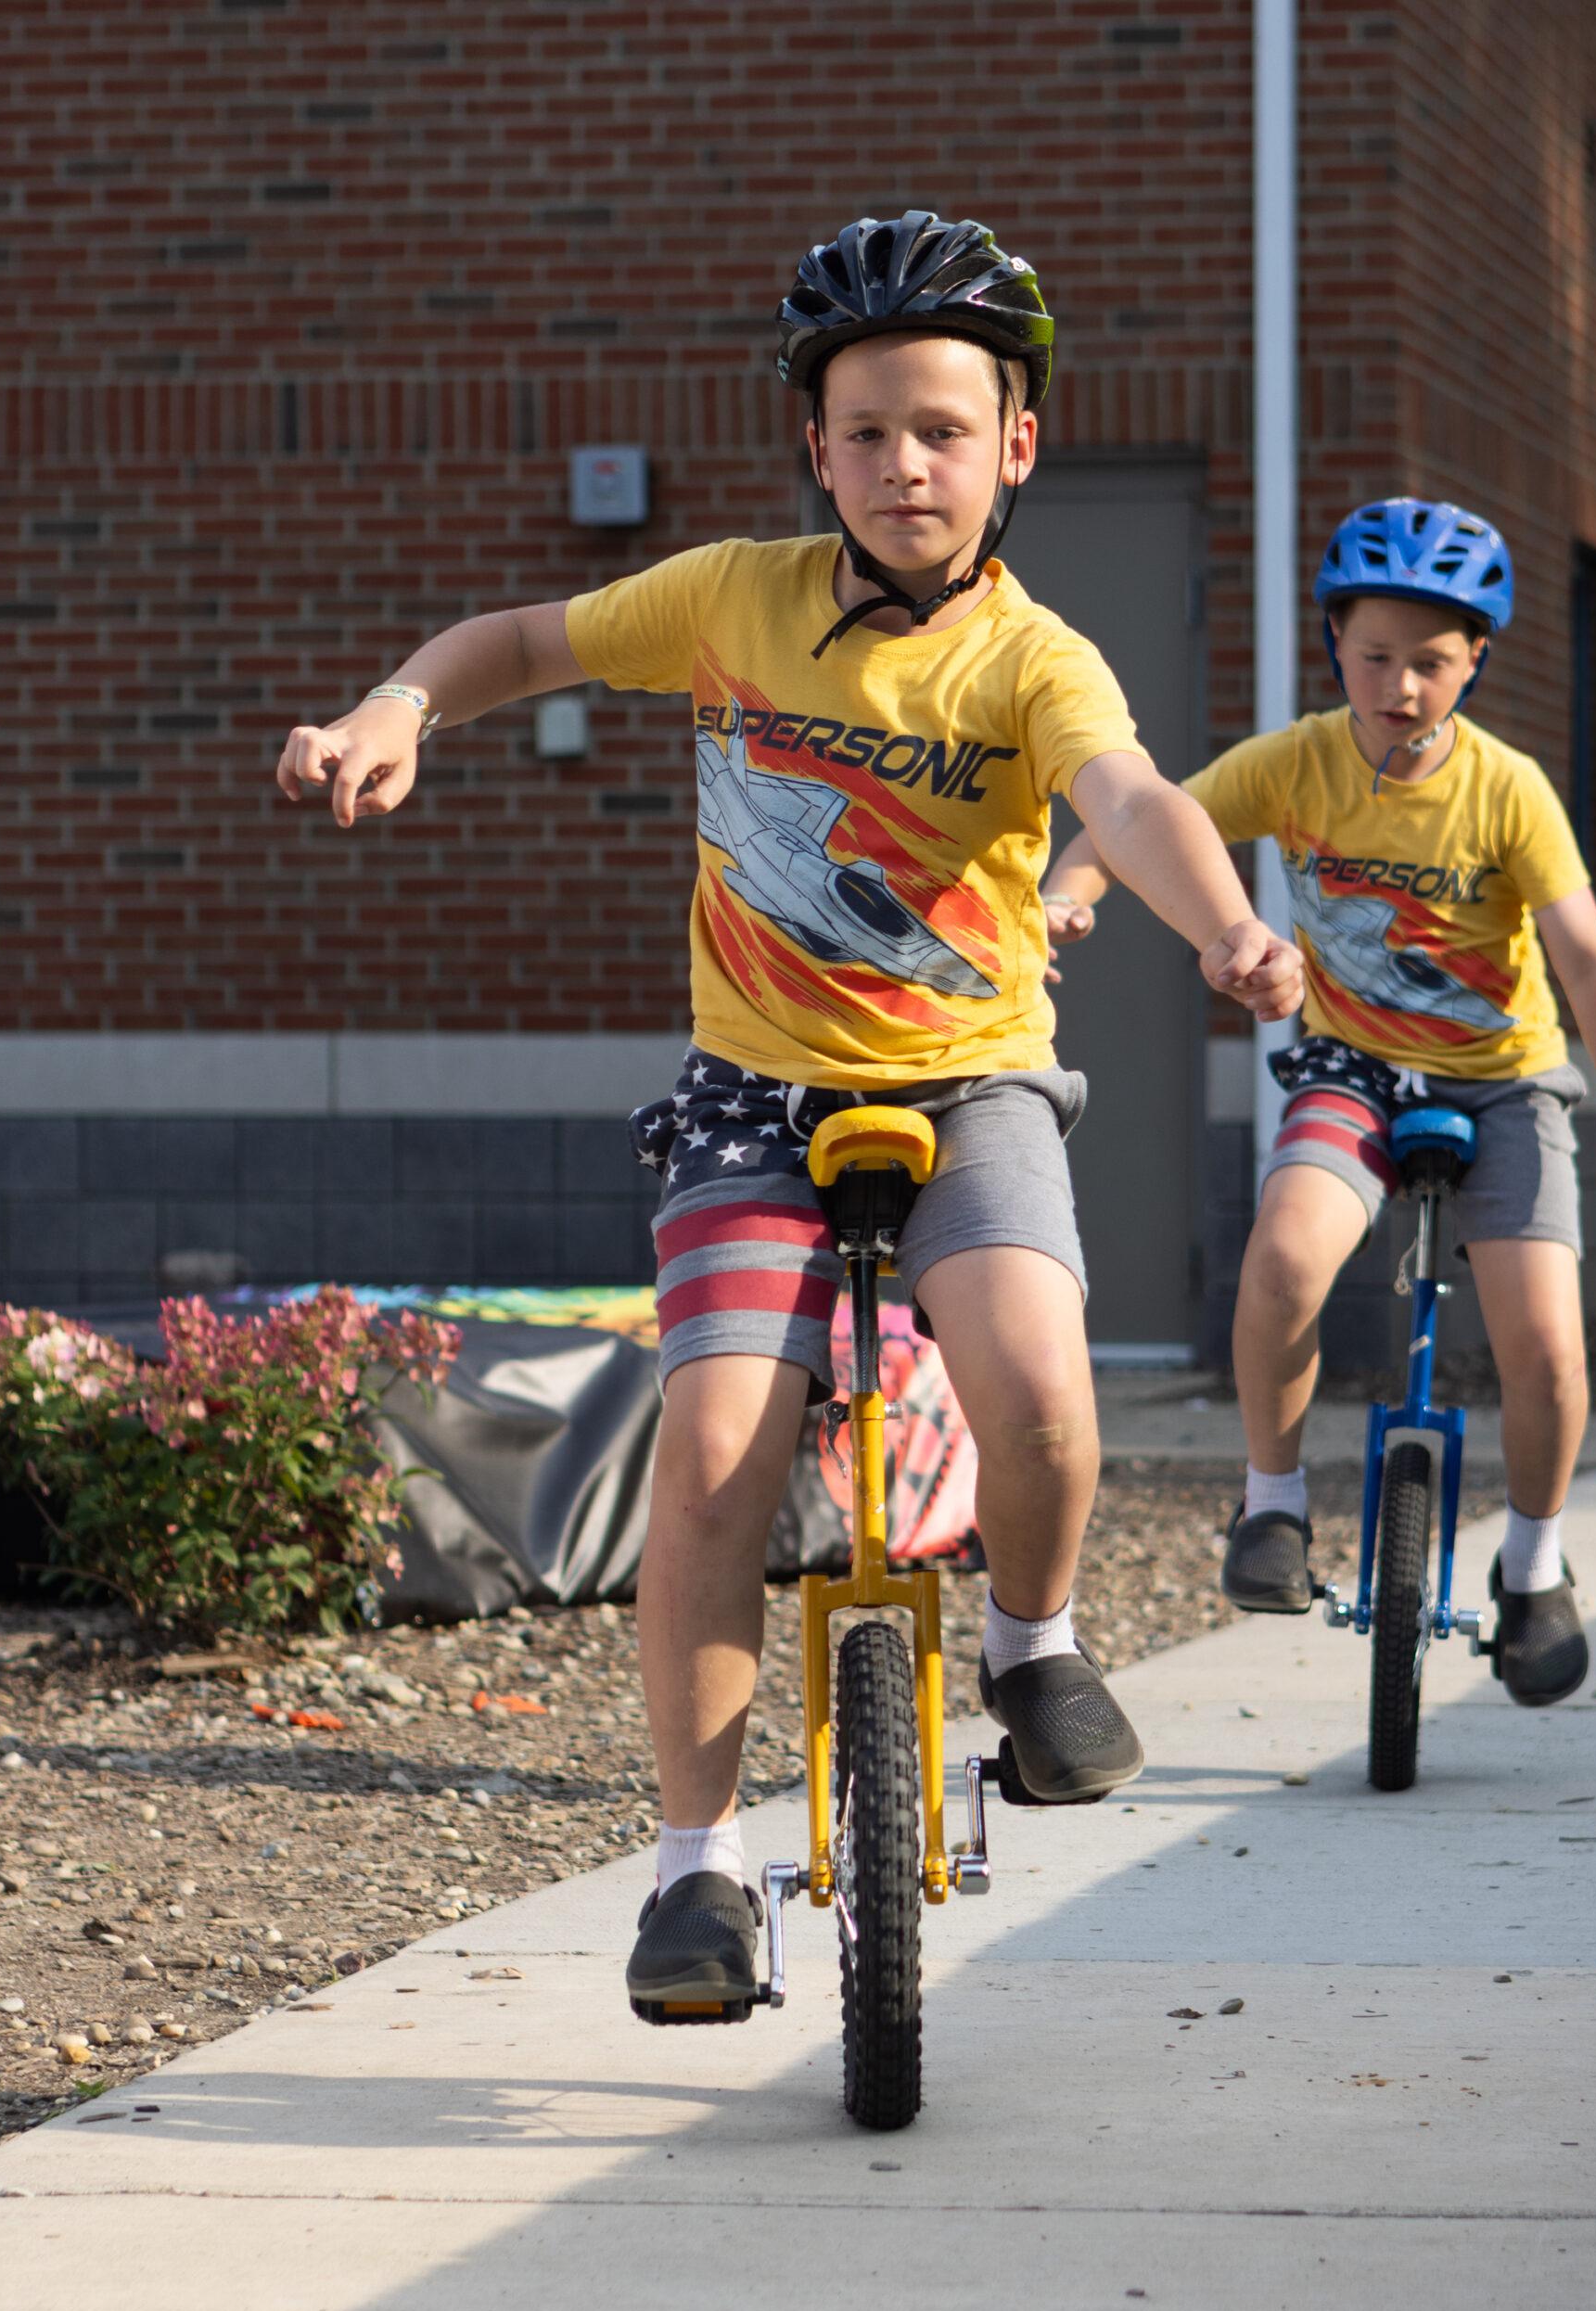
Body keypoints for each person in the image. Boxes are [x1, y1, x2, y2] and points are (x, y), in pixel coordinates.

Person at [274, 211, 1303, 2016]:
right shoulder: (731, 596)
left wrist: (1226, 926)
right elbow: (520, 637)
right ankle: (692, 1870)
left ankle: (1032, 1640)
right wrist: (402, 700)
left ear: (1013, 445)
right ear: (811, 450)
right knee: (717, 1447)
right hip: (752, 1092)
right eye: (865, 431)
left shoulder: (1030, 657)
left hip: (969, 1077)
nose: (904, 463)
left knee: (1039, 1387)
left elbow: (1128, 798)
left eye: (941, 427)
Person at [1043, 498, 1596, 1707]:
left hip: (1505, 1085)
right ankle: (1273, 1504)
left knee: (1546, 1347)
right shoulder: (1296, 762)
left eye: (1431, 663)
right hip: (1352, 1071)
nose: (1400, 687)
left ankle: (1536, 1566)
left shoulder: (1508, 790)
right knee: (1282, 1259)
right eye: (1375, 657)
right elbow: (1145, 816)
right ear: (1337, 645)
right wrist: (1074, 889)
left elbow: (1587, 957)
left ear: (1475, 661)